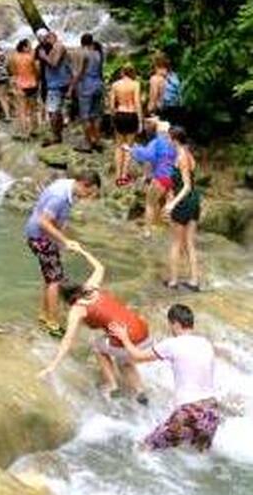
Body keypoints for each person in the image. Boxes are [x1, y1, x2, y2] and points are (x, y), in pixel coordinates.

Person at [38, 244, 150, 403]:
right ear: (78, 286)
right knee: (124, 361)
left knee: (98, 347)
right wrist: (82, 251)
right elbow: (99, 267)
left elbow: (67, 341)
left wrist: (52, 366)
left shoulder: (78, 309)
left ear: (65, 297)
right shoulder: (92, 287)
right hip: (144, 332)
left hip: (128, 339)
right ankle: (140, 393)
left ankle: (112, 385)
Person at [110, 303, 220, 452]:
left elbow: (137, 356)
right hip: (212, 412)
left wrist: (124, 338)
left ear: (175, 323)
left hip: (189, 411)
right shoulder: (206, 343)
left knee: (144, 448)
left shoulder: (172, 344)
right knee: (199, 456)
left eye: (170, 324)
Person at [23, 170, 101, 337]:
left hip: (45, 237)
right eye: (89, 192)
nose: (87, 196)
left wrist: (60, 241)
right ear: (82, 184)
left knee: (50, 277)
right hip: (40, 238)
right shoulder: (60, 197)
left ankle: (44, 315)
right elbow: (43, 222)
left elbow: (53, 220)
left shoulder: (67, 185)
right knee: (55, 281)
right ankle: (52, 323)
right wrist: (65, 241)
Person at [163, 126, 202, 291]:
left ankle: (173, 281)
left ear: (175, 140)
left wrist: (172, 203)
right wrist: (170, 196)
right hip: (193, 201)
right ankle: (194, 281)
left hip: (184, 201)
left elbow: (185, 186)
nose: (167, 141)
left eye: (168, 138)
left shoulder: (182, 156)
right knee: (189, 243)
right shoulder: (188, 154)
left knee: (176, 243)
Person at [127, 117, 177, 237]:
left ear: (159, 131)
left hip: (160, 177)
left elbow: (146, 155)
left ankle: (147, 232)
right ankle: (171, 230)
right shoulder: (174, 144)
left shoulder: (157, 142)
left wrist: (131, 149)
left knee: (150, 203)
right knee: (168, 205)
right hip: (172, 178)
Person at [109, 65, 143, 186]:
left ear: (122, 72)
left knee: (118, 146)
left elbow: (112, 105)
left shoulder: (115, 85)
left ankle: (117, 175)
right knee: (128, 147)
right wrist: (140, 121)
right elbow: (137, 102)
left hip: (119, 113)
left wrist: (114, 117)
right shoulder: (135, 84)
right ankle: (124, 176)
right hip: (131, 114)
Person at [70, 33, 104, 152]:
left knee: (85, 117)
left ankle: (88, 143)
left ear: (81, 42)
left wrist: (71, 88)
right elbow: (100, 71)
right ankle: (97, 140)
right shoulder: (98, 53)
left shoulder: (83, 53)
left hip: (86, 87)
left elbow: (79, 73)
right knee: (95, 115)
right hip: (98, 85)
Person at [38, 31, 71, 146]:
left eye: (47, 38)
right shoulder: (56, 47)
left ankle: (56, 136)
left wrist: (44, 56)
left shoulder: (59, 46)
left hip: (57, 84)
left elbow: (54, 63)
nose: (46, 40)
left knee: (52, 111)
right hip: (57, 83)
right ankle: (58, 134)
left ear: (53, 37)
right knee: (57, 111)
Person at [10, 38, 39, 139]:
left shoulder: (14, 57)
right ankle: (33, 130)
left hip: (21, 85)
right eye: (29, 46)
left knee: (22, 111)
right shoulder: (31, 57)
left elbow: (14, 72)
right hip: (32, 84)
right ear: (24, 47)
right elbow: (36, 70)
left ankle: (24, 132)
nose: (31, 47)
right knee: (32, 109)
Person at [148, 55, 184, 125]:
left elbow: (154, 96)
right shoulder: (174, 76)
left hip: (163, 108)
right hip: (177, 108)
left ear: (156, 66)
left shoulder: (156, 78)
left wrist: (150, 109)